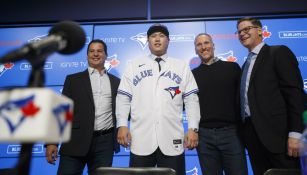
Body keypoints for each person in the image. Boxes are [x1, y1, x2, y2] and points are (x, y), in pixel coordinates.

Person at [116, 24, 200, 175]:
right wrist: (122, 124)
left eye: (161, 36)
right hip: (141, 137)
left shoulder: (181, 66)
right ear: (148, 41)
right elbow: (123, 98)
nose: (157, 39)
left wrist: (193, 128)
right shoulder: (133, 65)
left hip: (172, 137)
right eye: (153, 36)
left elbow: (191, 100)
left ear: (168, 40)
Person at [237, 17, 306, 175]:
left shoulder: (278, 52)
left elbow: (295, 94)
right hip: (253, 138)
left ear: (260, 30)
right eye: (239, 31)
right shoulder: (245, 65)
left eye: (246, 29)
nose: (242, 33)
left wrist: (296, 133)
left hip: (279, 139)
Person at [45, 39, 120, 175]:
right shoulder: (73, 80)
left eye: (99, 51)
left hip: (105, 143)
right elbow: (60, 111)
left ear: (106, 55)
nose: (95, 54)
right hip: (75, 141)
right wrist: (52, 142)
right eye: (91, 51)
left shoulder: (116, 82)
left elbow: (123, 111)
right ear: (87, 55)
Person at [192, 33, 248, 175]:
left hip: (232, 133)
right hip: (204, 136)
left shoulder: (232, 68)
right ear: (195, 50)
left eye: (206, 43)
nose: (203, 47)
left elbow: (244, 99)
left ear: (213, 45)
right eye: (199, 44)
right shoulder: (191, 75)